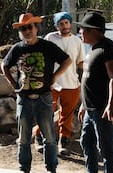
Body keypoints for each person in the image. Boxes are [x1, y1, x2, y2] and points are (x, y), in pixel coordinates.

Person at [1, 13, 71, 173]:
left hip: (44, 97)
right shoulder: (17, 48)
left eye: (29, 27)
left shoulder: (47, 46)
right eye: (23, 28)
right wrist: (13, 84)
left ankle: (51, 170)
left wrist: (54, 77)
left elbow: (67, 61)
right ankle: (24, 170)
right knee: (24, 138)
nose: (27, 31)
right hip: (24, 98)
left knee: (49, 137)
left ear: (36, 28)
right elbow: (4, 65)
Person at [70, 12, 113, 173]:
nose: (80, 33)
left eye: (83, 29)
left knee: (105, 146)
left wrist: (111, 104)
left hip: (102, 108)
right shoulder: (93, 49)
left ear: (95, 31)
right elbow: (89, 79)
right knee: (87, 142)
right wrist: (83, 104)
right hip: (90, 108)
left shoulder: (108, 48)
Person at [36, 11, 85, 155]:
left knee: (66, 115)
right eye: (61, 23)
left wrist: (93, 69)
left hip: (71, 84)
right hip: (52, 84)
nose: (64, 26)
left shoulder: (77, 41)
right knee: (46, 113)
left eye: (66, 23)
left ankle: (63, 142)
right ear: (57, 26)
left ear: (70, 23)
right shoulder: (50, 38)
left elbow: (80, 62)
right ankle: (39, 139)